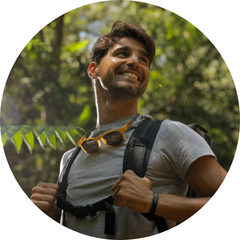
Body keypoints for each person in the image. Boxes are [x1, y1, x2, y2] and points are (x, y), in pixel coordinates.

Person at [31, 21, 227, 239]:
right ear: (93, 70)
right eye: (122, 53)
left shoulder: (171, 134)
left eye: (143, 60)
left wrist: (153, 202)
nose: (135, 62)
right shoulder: (69, 159)